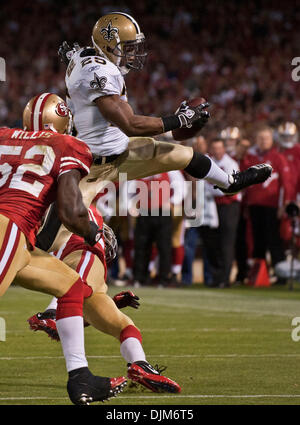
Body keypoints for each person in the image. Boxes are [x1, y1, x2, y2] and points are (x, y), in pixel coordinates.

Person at [48, 11, 272, 258]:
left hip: (121, 153)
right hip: (90, 165)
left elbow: (76, 54)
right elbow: (131, 125)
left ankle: (229, 183)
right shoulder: (95, 72)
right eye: (127, 48)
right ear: (107, 46)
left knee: (184, 155)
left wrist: (70, 53)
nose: (132, 54)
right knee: (58, 239)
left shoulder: (90, 57)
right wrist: (180, 118)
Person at [24, 95, 181, 393]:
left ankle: (140, 365)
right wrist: (96, 232)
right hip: (77, 248)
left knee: (122, 324)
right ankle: (52, 314)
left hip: (40, 247)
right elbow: (71, 212)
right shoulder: (72, 164)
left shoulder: (30, 157)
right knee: (74, 289)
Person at [0, 93, 127, 405]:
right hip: (9, 227)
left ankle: (80, 378)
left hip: (21, 240)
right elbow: (71, 212)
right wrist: (93, 233)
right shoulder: (68, 146)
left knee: (71, 287)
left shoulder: (3, 135)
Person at [242, 125, 292, 284]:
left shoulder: (277, 157)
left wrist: (284, 204)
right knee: (258, 240)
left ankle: (281, 275)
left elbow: (286, 183)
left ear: (272, 140)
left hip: (271, 205)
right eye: (261, 138)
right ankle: (258, 274)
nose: (263, 141)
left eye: (266, 138)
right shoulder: (251, 157)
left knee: (274, 240)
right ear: (256, 140)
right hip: (254, 204)